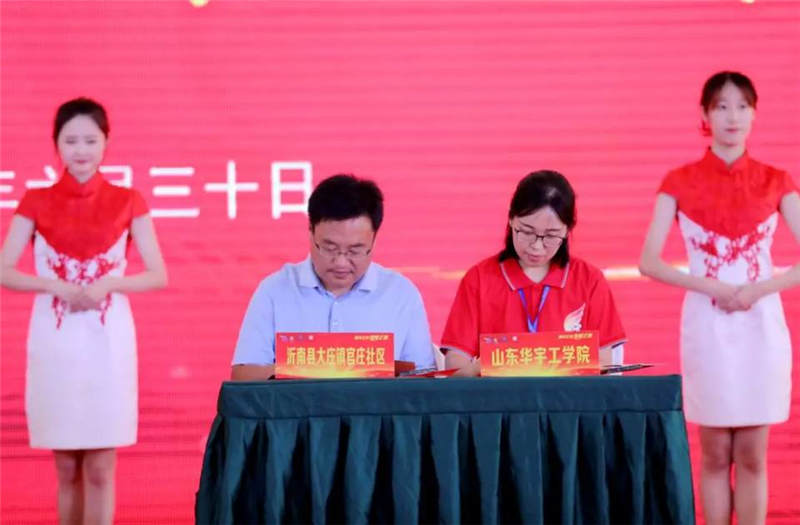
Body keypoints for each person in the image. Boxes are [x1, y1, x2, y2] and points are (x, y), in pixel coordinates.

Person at [639, 71, 800, 525]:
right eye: (722, 106)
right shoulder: (678, 181)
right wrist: (711, 286)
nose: (733, 116)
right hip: (708, 324)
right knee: (712, 453)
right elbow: (648, 261)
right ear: (705, 115)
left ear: (755, 114)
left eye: (742, 106)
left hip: (759, 324)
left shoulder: (776, 181)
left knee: (752, 453)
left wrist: (757, 290)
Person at [0, 97, 167, 525]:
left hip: (106, 343)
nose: (81, 150)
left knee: (100, 465)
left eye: (90, 140)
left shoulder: (129, 200)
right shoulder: (35, 201)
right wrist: (52, 284)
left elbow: (157, 274)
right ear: (56, 144)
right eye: (70, 140)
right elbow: (4, 270)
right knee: (65, 466)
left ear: (106, 142)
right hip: (55, 343)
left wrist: (109, 283)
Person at [231, 174, 434, 380]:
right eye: (330, 248)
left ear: (374, 240)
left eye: (355, 251)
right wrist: (316, 369)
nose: (341, 263)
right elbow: (243, 377)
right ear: (310, 232)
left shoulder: (401, 294)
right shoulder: (275, 290)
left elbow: (425, 380)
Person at [441, 170, 626, 376]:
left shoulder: (589, 280)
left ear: (567, 230)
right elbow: (455, 367)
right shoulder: (479, 279)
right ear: (511, 219)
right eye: (527, 232)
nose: (537, 247)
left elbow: (604, 365)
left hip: (568, 397)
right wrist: (481, 367)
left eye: (551, 236)